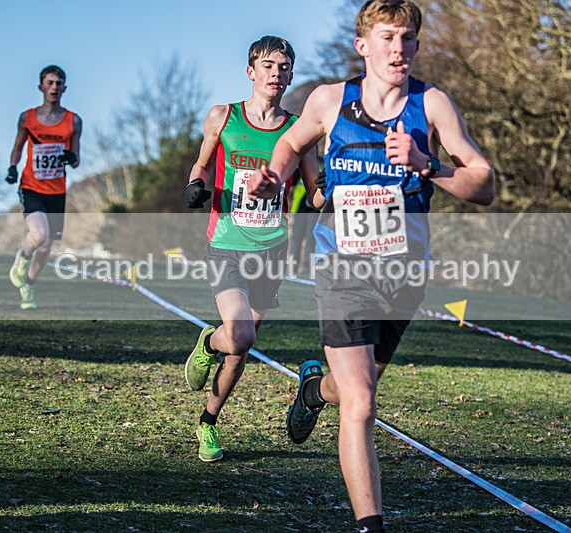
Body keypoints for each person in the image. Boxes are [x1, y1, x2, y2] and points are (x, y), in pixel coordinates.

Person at [248, 1, 494, 531]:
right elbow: (290, 146)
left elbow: (485, 183)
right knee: (360, 404)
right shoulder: (330, 101)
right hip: (341, 268)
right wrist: (273, 176)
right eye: (386, 37)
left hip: (404, 275)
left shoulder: (432, 106)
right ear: (363, 46)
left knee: (351, 390)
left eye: (407, 38)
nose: (397, 49)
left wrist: (429, 164)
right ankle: (370, 524)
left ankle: (314, 388)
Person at [182, 35, 322, 462]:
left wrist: (339, 192)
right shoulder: (223, 116)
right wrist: (195, 185)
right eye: (267, 65)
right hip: (226, 243)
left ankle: (208, 421)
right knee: (240, 336)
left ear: (291, 74)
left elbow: (316, 192)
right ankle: (210, 344)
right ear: (251, 72)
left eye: (283, 67)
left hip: (271, 249)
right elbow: (203, 163)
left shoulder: (299, 131)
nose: (275, 73)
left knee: (240, 349)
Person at [6, 65, 82, 310]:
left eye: (58, 84)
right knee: (39, 235)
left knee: (48, 245)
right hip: (31, 185)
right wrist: (12, 167)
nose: (54, 88)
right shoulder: (27, 118)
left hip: (57, 191)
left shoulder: (73, 121)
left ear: (65, 88)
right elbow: (18, 146)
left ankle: (28, 284)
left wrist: (71, 158)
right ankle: (23, 257)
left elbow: (76, 158)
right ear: (40, 87)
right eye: (49, 83)